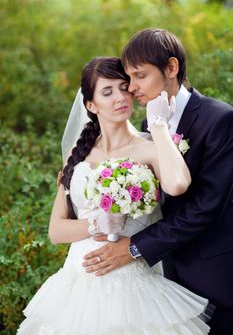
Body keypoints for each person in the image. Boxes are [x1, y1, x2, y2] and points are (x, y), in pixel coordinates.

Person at [17, 56, 211, 335]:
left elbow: (178, 185)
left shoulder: (149, 147)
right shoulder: (78, 155)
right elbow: (56, 231)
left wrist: (158, 126)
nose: (120, 97)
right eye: (107, 92)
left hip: (134, 285)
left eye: (124, 88)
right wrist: (96, 223)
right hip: (76, 288)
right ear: (91, 105)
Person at [83, 29, 233, 335]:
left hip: (214, 274)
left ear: (172, 68)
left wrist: (135, 247)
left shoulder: (219, 119)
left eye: (140, 75)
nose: (132, 88)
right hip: (166, 272)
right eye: (129, 77)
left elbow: (205, 208)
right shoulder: (145, 125)